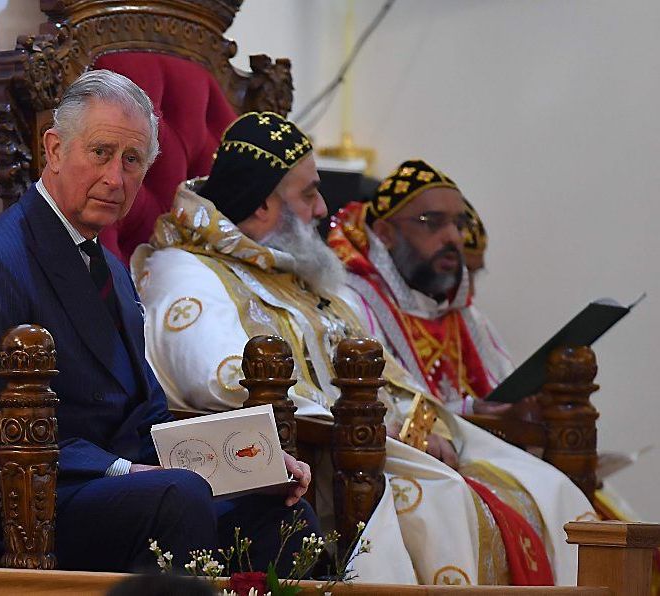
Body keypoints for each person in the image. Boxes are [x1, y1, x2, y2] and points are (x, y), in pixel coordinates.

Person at [132, 112, 593, 585]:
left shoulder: (295, 273)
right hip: (317, 464)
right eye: (308, 193)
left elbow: (385, 371)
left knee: (550, 490)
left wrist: (418, 426)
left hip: (375, 442)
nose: (321, 210)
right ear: (264, 205)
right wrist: (379, 428)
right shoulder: (187, 271)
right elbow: (223, 381)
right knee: (448, 506)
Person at [0, 70, 315, 574]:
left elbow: (148, 409)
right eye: (101, 152)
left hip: (135, 482)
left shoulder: (107, 263)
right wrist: (124, 469)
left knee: (284, 511)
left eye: (132, 160)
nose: (116, 178)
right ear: (55, 148)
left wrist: (246, 460)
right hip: (43, 500)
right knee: (180, 495)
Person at [327, 161, 514, 412]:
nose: (453, 237)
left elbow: (504, 391)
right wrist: (469, 410)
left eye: (459, 225)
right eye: (433, 222)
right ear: (385, 233)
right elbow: (378, 411)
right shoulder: (353, 305)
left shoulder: (467, 316)